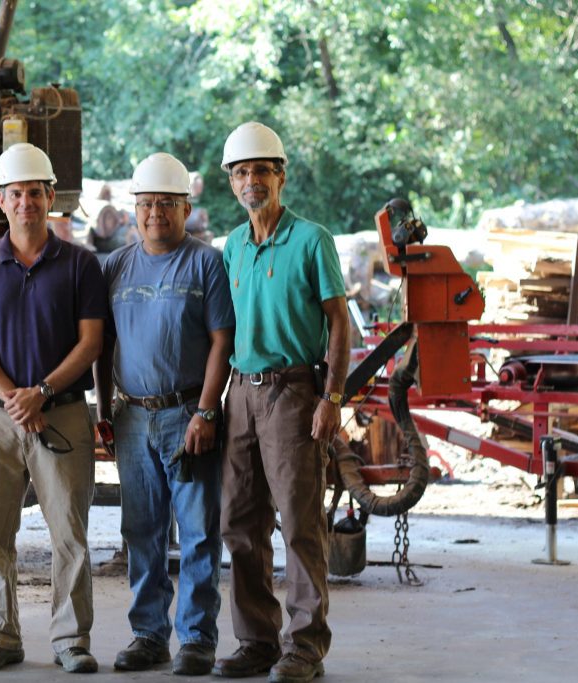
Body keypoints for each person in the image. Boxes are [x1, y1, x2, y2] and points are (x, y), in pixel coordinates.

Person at [0, 142, 106, 674]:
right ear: (1, 200)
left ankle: (71, 639)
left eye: (36, 193)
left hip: (62, 411)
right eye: (16, 193)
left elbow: (90, 343)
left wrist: (40, 391)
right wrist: (15, 399)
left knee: (70, 530)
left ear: (51, 198)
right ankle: (0, 634)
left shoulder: (80, 265)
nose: (27, 202)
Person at [214, 122, 350, 683]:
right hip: (240, 393)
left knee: (299, 522)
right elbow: (224, 332)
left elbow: (339, 321)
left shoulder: (311, 239)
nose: (252, 182)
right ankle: (256, 641)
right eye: (242, 173)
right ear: (232, 183)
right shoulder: (233, 246)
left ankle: (305, 645)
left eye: (261, 172)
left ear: (280, 176)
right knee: (239, 522)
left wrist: (332, 396)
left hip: (295, 392)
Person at [94, 153, 234, 676]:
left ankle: (196, 638)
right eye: (147, 203)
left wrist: (207, 411)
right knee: (142, 530)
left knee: (198, 531)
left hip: (187, 415)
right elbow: (102, 345)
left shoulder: (205, 263)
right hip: (131, 418)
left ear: (185, 207)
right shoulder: (116, 266)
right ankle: (148, 635)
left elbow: (223, 340)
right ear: (134, 208)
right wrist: (106, 410)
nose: (155, 212)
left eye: (167, 204)